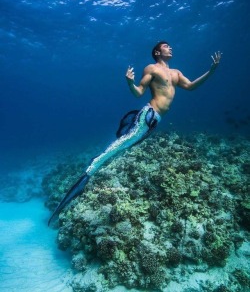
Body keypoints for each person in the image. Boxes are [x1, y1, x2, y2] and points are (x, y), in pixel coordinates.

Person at [48, 41, 222, 225]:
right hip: (148, 115)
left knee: (123, 148)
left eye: (170, 46)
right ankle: (87, 174)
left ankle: (89, 175)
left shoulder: (176, 73)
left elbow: (191, 86)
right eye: (166, 46)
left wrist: (211, 71)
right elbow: (139, 92)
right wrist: (130, 82)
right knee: (120, 146)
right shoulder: (152, 68)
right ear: (158, 52)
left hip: (155, 122)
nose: (170, 48)